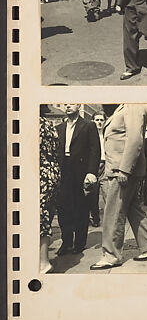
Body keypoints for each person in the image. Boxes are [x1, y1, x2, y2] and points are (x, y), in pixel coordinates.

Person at [90, 104, 147, 270]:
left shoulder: (133, 105)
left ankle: (111, 255)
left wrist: (125, 169)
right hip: (121, 169)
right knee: (132, 208)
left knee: (114, 213)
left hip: (121, 170)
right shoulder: (124, 107)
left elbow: (135, 139)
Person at [55, 104, 101, 256]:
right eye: (65, 104)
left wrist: (91, 172)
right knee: (63, 208)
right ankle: (66, 241)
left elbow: (95, 149)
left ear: (79, 106)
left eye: (71, 103)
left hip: (81, 172)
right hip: (63, 171)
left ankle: (79, 243)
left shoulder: (88, 126)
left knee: (81, 208)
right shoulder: (60, 128)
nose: (68, 106)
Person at [39, 106, 62, 273]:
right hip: (51, 173)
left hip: (40, 174)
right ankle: (43, 261)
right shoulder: (48, 125)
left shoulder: (34, 124)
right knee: (45, 215)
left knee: (38, 217)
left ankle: (42, 262)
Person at [87, 111, 106, 228]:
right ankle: (95, 217)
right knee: (92, 194)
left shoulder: (107, 134)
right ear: (93, 121)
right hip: (93, 165)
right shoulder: (89, 134)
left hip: (106, 165)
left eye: (101, 120)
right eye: (97, 120)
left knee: (107, 193)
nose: (99, 122)